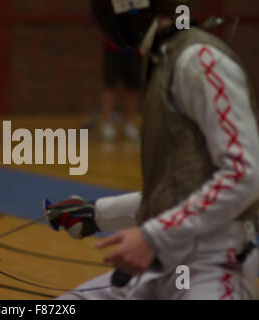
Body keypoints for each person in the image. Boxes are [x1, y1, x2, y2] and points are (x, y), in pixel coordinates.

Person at [44, 0, 259, 299]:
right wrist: (96, 214)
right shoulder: (165, 59)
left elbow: (245, 174)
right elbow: (178, 191)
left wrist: (151, 236)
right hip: (161, 266)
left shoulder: (200, 59)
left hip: (212, 268)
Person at [100, 39, 143, 142]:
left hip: (134, 50)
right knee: (110, 86)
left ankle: (129, 124)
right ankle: (106, 123)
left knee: (132, 88)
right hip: (113, 49)